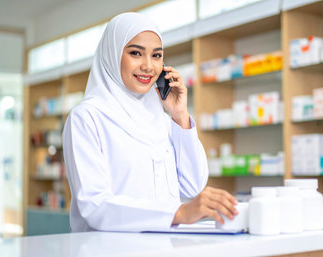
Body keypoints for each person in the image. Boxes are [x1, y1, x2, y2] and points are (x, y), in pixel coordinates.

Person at [62, 12, 238, 232]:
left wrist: (180, 115)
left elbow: (192, 187)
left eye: (156, 56)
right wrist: (178, 213)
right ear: (112, 54)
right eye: (136, 53)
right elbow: (95, 206)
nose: (148, 66)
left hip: (162, 247)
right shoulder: (87, 117)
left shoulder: (162, 120)